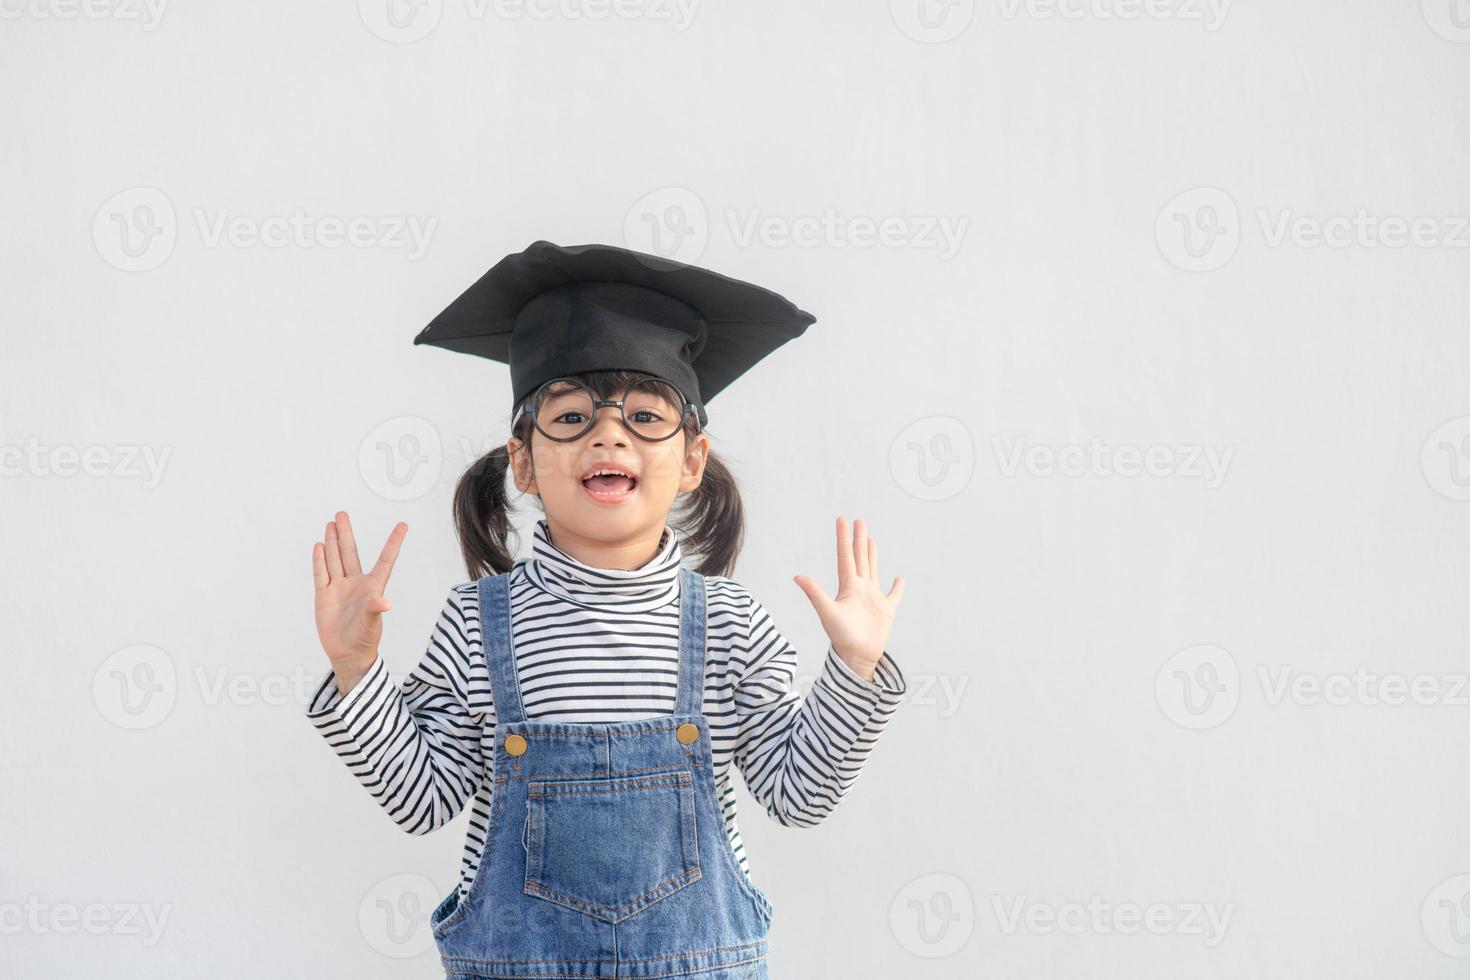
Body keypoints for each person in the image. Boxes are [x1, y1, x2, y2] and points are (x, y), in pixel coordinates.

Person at [304, 241, 909, 978]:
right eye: (571, 416)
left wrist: (854, 667)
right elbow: (421, 801)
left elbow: (798, 793)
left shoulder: (728, 622)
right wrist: (354, 671)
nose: (609, 431)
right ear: (522, 460)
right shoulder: (474, 624)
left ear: (691, 461)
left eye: (646, 415)